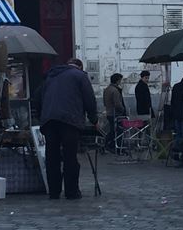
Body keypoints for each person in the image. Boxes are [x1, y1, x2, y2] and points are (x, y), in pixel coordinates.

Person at [39, 58, 98, 200]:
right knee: (70, 156)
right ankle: (71, 191)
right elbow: (89, 98)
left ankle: (54, 191)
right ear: (80, 66)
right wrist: (94, 119)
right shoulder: (80, 76)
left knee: (51, 157)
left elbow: (39, 97)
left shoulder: (51, 76)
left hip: (49, 120)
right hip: (69, 120)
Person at [103, 73, 126, 153]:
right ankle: (117, 147)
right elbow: (117, 104)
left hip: (109, 112)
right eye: (120, 80)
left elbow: (104, 102)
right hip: (116, 114)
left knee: (112, 130)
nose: (121, 82)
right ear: (117, 81)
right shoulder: (115, 90)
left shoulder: (106, 89)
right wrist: (123, 110)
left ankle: (107, 144)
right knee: (118, 131)